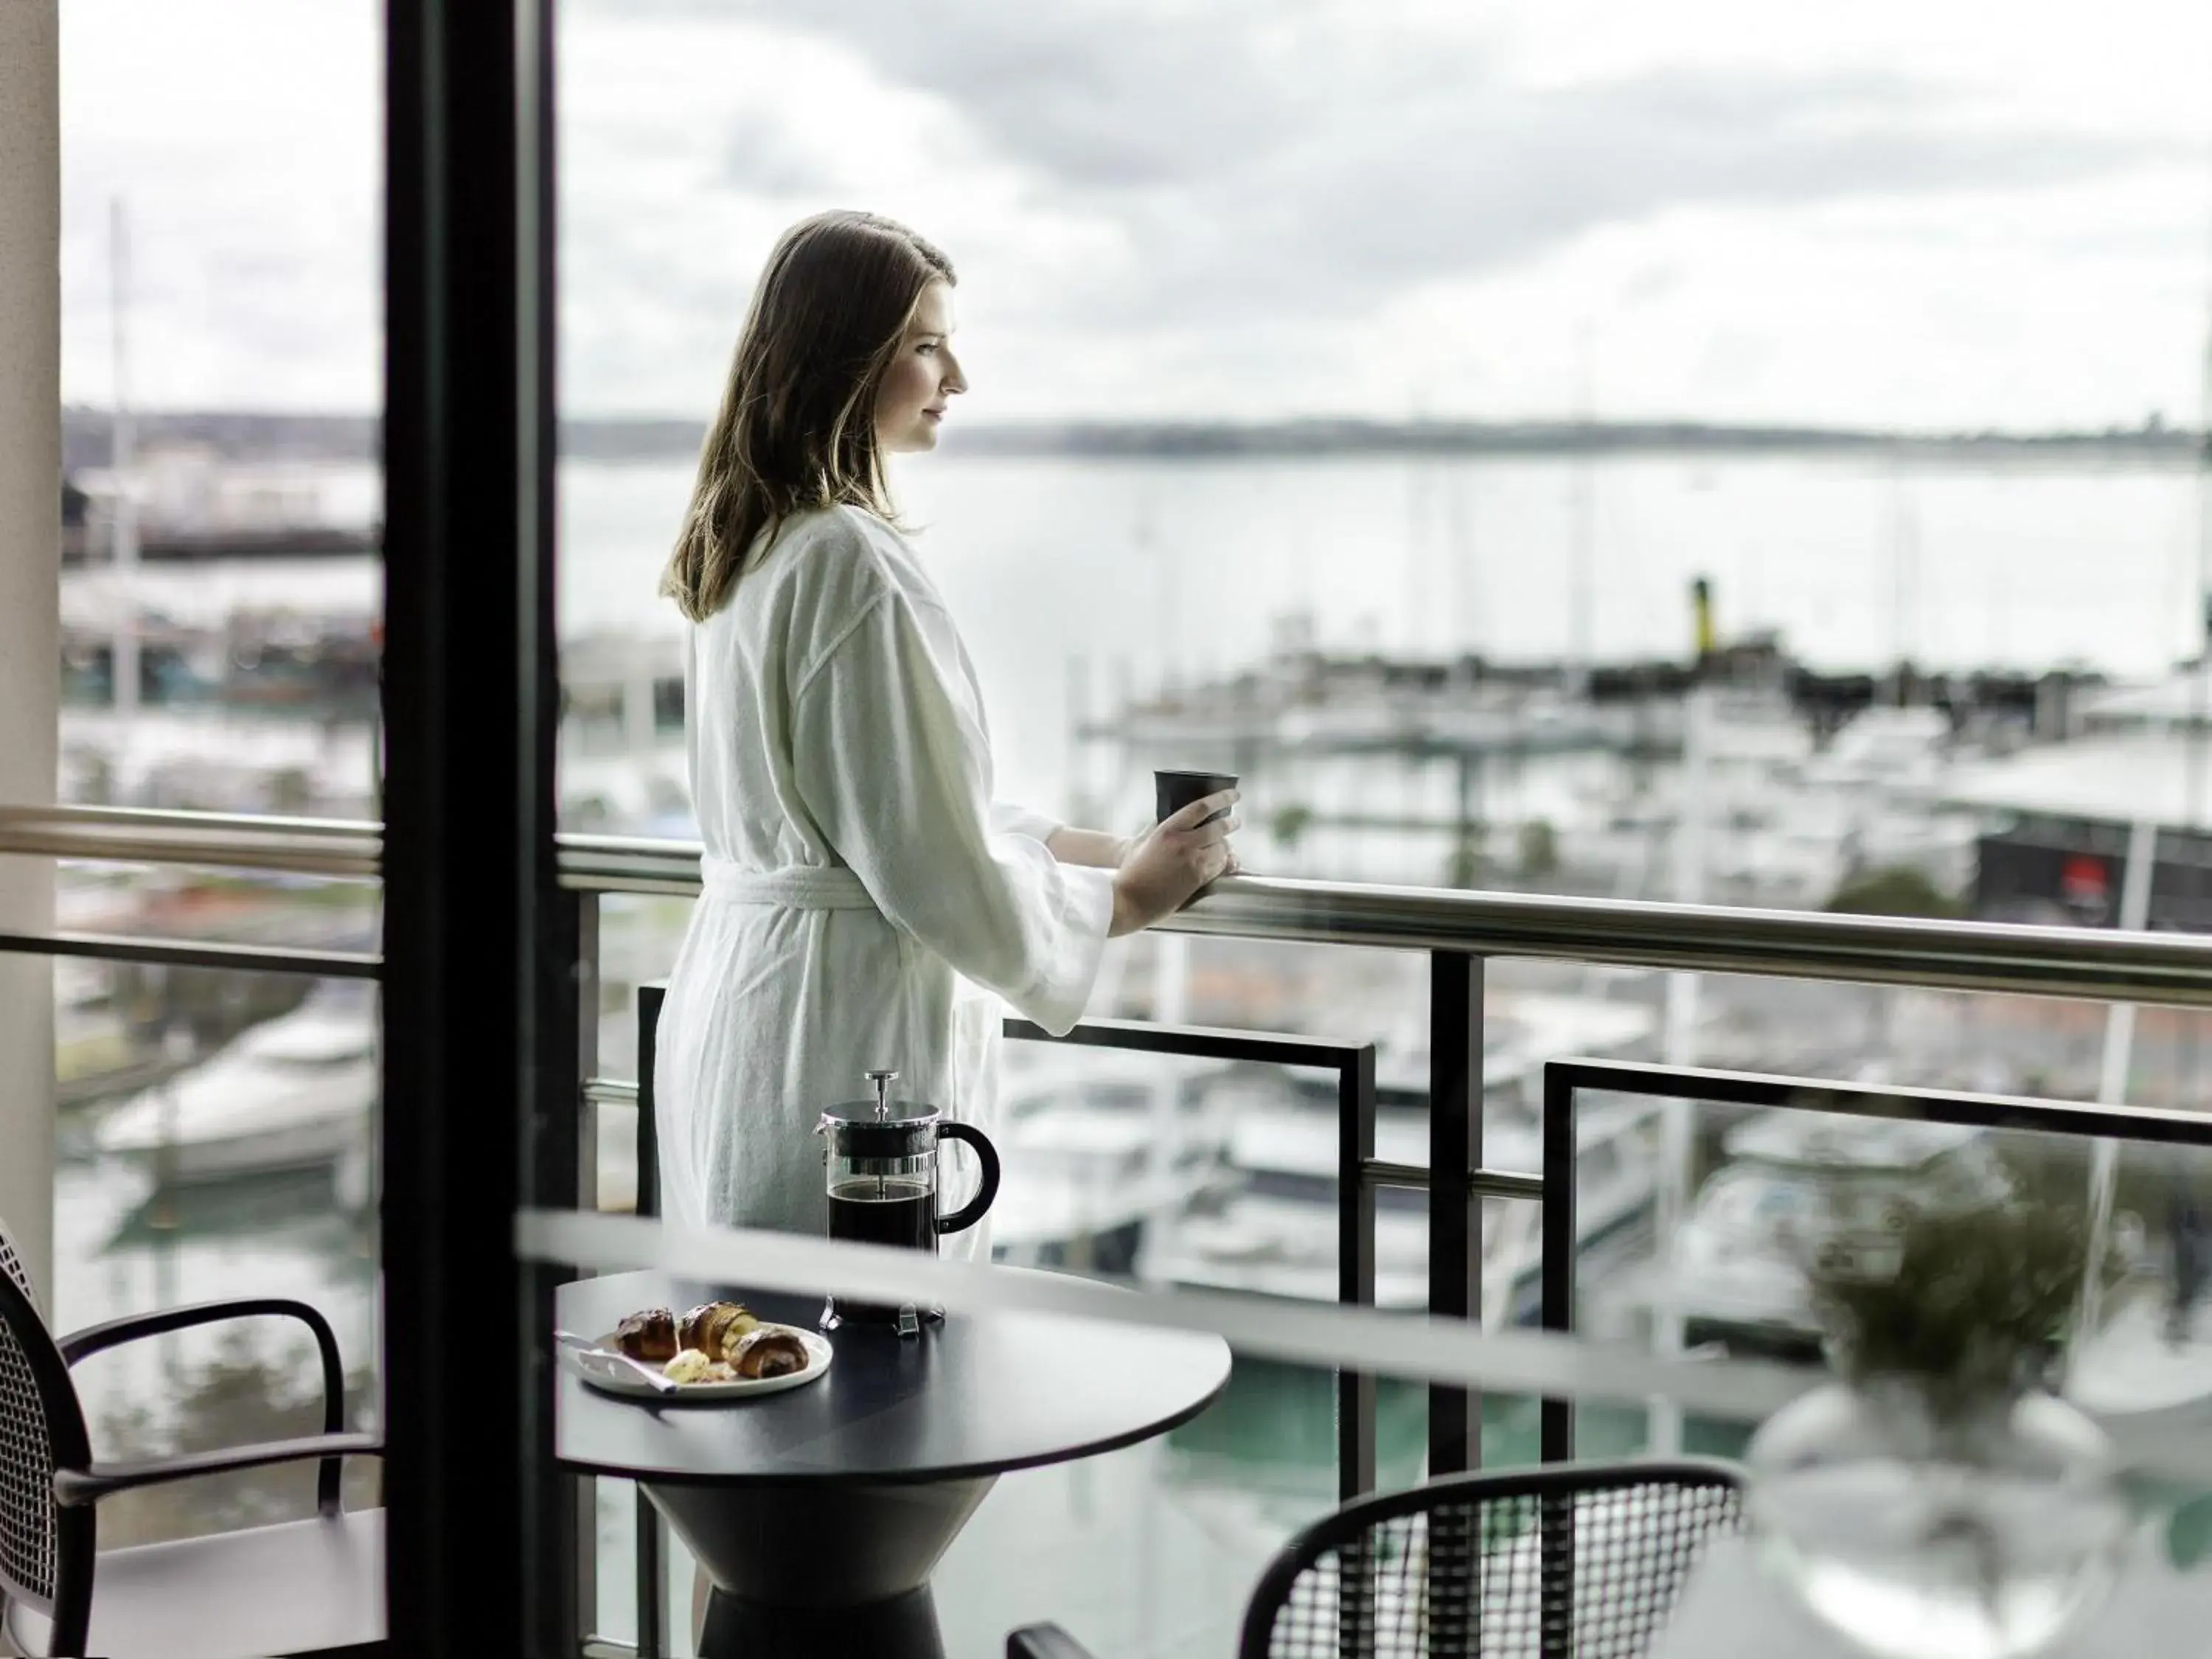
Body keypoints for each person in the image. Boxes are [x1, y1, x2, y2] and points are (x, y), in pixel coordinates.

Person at [653, 209, 1239, 1256]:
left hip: (737, 1009)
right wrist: (1130, 896)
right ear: (845, 357)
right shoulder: (847, 562)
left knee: (755, 1357)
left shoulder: (747, 548)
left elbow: (868, 799)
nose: (956, 376)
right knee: (857, 1377)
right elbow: (926, 857)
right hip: (837, 1043)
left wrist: (1076, 847)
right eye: (927, 344)